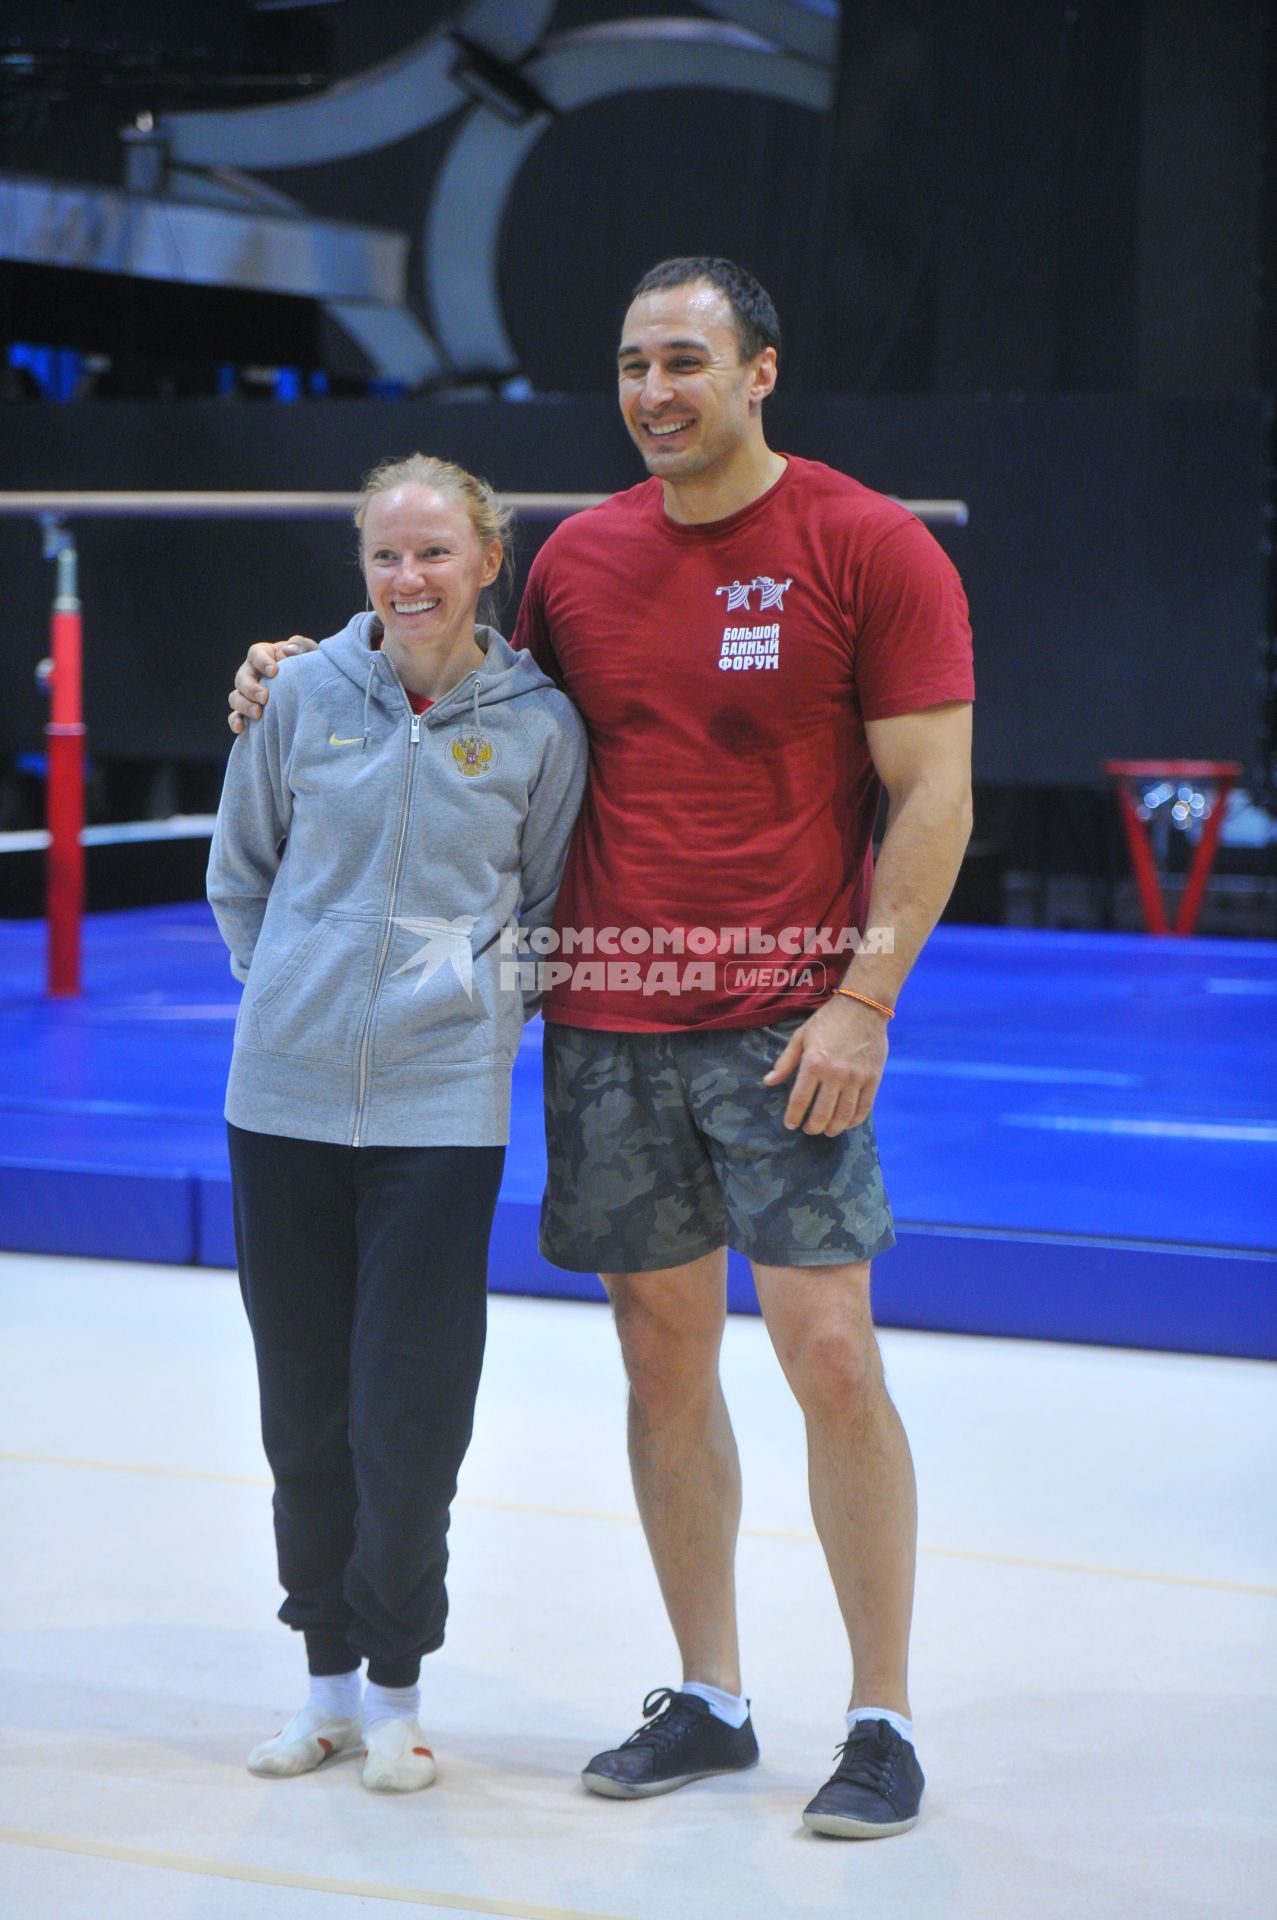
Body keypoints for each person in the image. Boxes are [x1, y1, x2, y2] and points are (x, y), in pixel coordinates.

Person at [228, 258, 974, 1839]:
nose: (654, 391)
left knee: (830, 1355)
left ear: (760, 373)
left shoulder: (865, 543)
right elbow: (460, 688)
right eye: (633, 362)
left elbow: (933, 794)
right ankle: (708, 1693)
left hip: (790, 1023)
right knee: (660, 1360)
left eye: (686, 361)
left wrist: (866, 999)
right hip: (610, 1020)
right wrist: (294, 676)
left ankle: (882, 1715)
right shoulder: (577, 558)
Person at [208, 452, 586, 1793]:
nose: (408, 577)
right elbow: (241, 869)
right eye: (384, 555)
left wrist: (477, 1018)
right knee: (302, 1418)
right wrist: (293, 1004)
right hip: (283, 1109)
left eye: (434, 553)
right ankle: (317, 1690)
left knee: (408, 1422)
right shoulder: (303, 693)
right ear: (360, 566)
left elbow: (544, 905)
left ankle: (397, 1695)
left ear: (489, 558)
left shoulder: (539, 723)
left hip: (441, 1118)